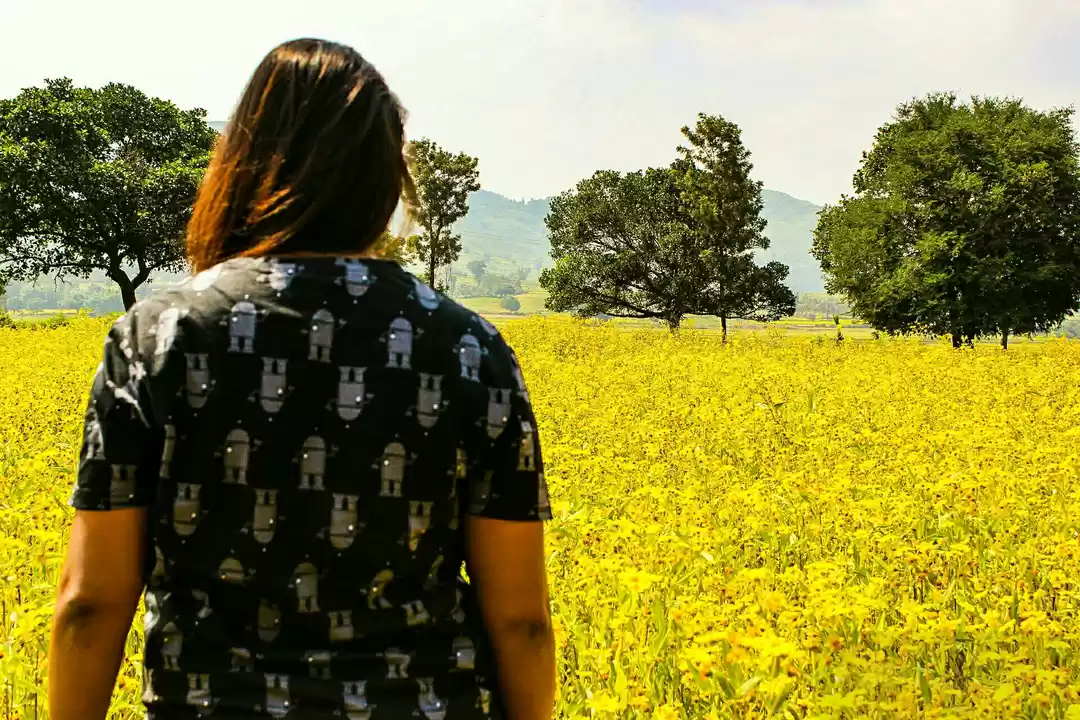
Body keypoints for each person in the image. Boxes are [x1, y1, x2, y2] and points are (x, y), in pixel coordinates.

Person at [49, 38, 555, 720]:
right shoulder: (470, 348)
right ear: (383, 177)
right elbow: (521, 619)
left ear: (244, 164)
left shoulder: (157, 337)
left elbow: (90, 604)